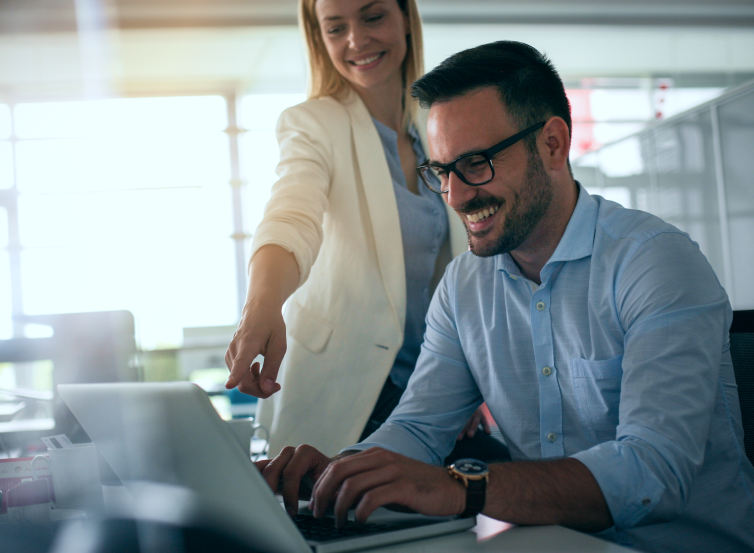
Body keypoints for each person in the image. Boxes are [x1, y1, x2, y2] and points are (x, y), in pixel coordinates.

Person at [255, 41, 754, 553]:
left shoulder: (654, 262)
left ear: (554, 144)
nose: (456, 196)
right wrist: (344, 471)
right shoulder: (464, 285)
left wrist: (460, 489)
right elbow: (420, 427)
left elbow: (655, 472)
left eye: (476, 163)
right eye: (441, 171)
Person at [224, 0, 506, 461]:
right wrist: (262, 306)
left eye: (373, 17)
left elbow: (468, 271)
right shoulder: (314, 123)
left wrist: (465, 380)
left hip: (431, 397)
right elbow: (291, 216)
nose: (356, 40)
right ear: (320, 39)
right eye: (336, 28)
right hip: (344, 393)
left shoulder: (437, 129)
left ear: (405, 21)